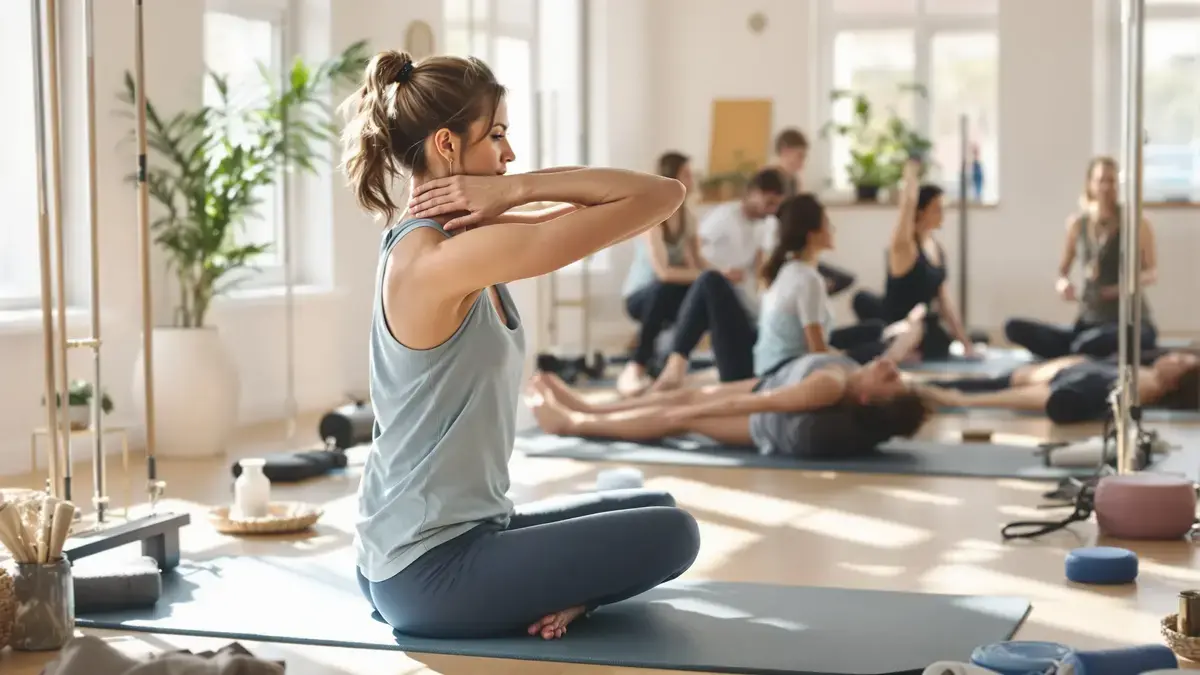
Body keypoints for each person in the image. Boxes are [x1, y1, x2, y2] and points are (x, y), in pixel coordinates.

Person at [340, 51, 699, 642]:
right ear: (448, 145)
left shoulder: (462, 239)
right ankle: (570, 597)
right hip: (429, 571)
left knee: (652, 501)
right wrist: (525, 190)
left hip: (448, 539)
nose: (509, 155)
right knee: (675, 533)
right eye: (498, 135)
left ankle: (563, 590)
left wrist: (511, 195)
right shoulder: (438, 259)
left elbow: (660, 196)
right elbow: (658, 197)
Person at [648, 194, 927, 392]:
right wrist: (864, 358)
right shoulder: (808, 279)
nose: (833, 229)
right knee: (710, 280)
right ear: (812, 233)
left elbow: (815, 343)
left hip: (772, 358)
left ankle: (891, 337)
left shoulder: (789, 269)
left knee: (876, 330)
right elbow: (818, 353)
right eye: (827, 223)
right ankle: (674, 368)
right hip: (766, 373)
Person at [527, 353, 932, 457]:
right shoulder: (849, 371)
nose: (890, 367)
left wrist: (695, 413)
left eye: (891, 380)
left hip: (761, 419)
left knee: (675, 416)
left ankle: (574, 423)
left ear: (866, 399)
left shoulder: (829, 386)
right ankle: (592, 408)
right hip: (767, 383)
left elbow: (762, 403)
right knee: (679, 395)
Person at [1003, 157, 1159, 360]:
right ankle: (1078, 350)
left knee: (1089, 343)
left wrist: (1120, 289)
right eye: (1101, 180)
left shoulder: (1137, 222)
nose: (1106, 187)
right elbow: (1062, 272)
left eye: (1111, 181)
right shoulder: (1078, 224)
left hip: (1129, 323)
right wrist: (1063, 285)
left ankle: (1078, 351)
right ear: (1090, 184)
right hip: (1089, 321)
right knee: (1013, 327)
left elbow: (1152, 273)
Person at [617, 151, 710, 396]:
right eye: (686, 174)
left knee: (705, 293)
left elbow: (696, 262)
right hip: (640, 295)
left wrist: (719, 276)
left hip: (668, 292)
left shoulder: (688, 218)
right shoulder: (652, 218)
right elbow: (664, 273)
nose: (692, 180)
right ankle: (637, 365)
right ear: (672, 178)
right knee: (666, 287)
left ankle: (674, 364)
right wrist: (701, 277)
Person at [921, 350, 1199, 425]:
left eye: (1181, 361)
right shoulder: (1150, 369)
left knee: (983, 392)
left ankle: (954, 399)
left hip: (1072, 385)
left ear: (1177, 381)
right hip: (1072, 370)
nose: (1174, 356)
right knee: (989, 382)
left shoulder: (1149, 388)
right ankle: (921, 387)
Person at [880, 160, 975, 360]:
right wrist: (910, 177)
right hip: (902, 326)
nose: (943, 214)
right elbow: (906, 208)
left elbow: (944, 301)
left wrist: (966, 343)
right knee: (918, 330)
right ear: (921, 211)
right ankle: (900, 351)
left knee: (943, 342)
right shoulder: (904, 247)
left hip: (925, 326)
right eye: (937, 209)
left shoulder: (936, 249)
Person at [769, 128, 856, 297]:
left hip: (796, 247)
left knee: (841, 280)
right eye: (800, 156)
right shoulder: (771, 180)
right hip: (781, 248)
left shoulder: (793, 180)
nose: (803, 162)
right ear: (785, 152)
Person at [695, 168, 787, 315]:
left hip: (742, 287)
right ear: (753, 193)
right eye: (769, 203)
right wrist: (721, 272)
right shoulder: (724, 215)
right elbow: (695, 247)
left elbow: (760, 261)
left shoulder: (767, 223)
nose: (773, 210)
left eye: (777, 205)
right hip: (713, 282)